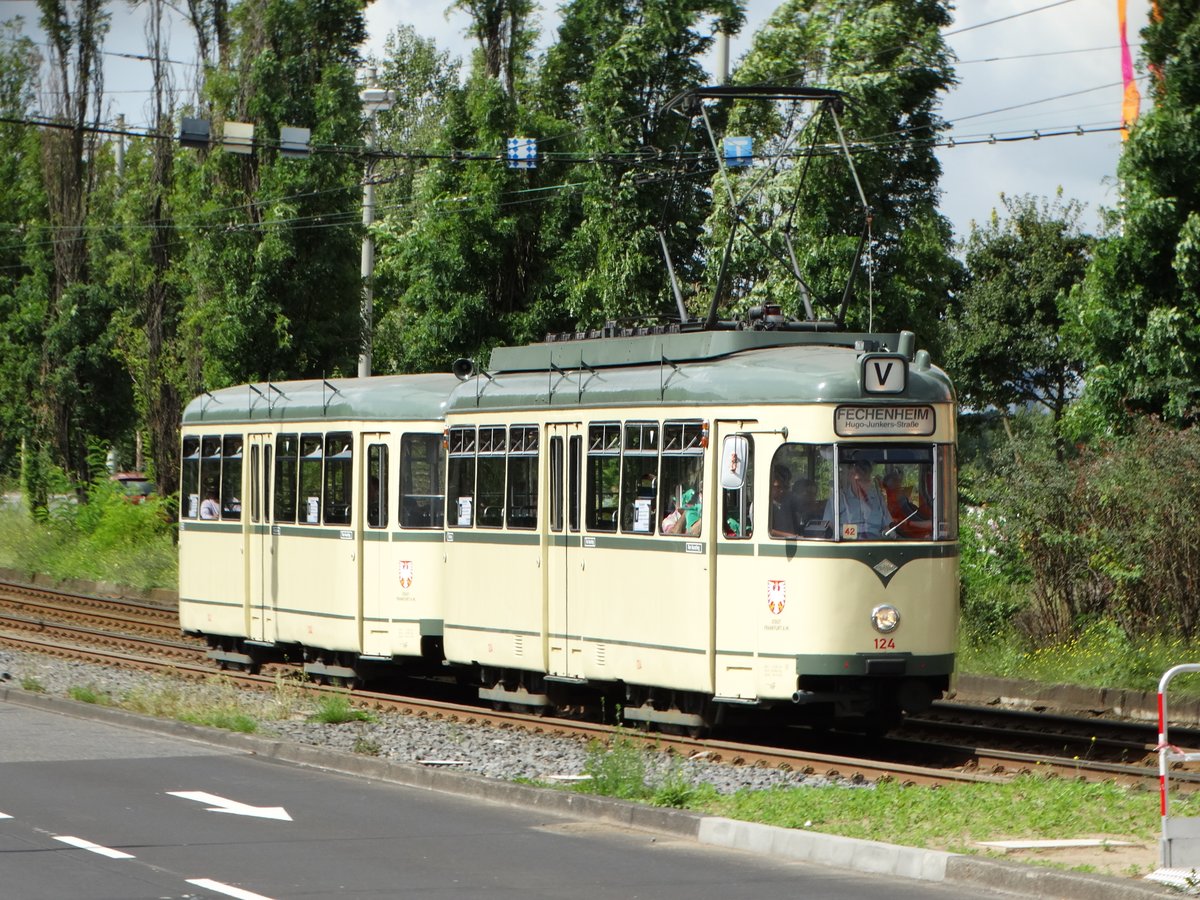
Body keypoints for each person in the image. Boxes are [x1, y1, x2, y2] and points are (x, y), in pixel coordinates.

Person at [825, 460, 890, 539]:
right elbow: (828, 528)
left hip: (875, 543)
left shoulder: (878, 498)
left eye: (866, 481)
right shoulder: (838, 499)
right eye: (858, 481)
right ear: (851, 477)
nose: (862, 485)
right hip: (847, 544)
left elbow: (888, 525)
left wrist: (889, 533)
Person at [881, 469, 932, 539]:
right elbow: (931, 524)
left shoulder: (906, 506)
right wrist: (908, 523)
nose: (902, 489)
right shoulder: (898, 507)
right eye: (898, 486)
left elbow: (930, 523)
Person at [768, 464, 806, 537]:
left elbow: (803, 506)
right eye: (777, 487)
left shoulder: (787, 502)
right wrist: (793, 536)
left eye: (784, 486)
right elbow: (767, 530)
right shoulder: (761, 504)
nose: (781, 490)